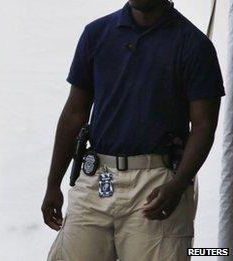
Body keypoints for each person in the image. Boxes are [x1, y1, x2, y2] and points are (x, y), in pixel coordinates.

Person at [42, 0, 224, 260]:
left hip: (157, 183)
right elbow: (74, 112)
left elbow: (205, 125)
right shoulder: (97, 33)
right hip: (95, 179)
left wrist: (178, 184)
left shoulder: (193, 44)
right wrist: (52, 185)